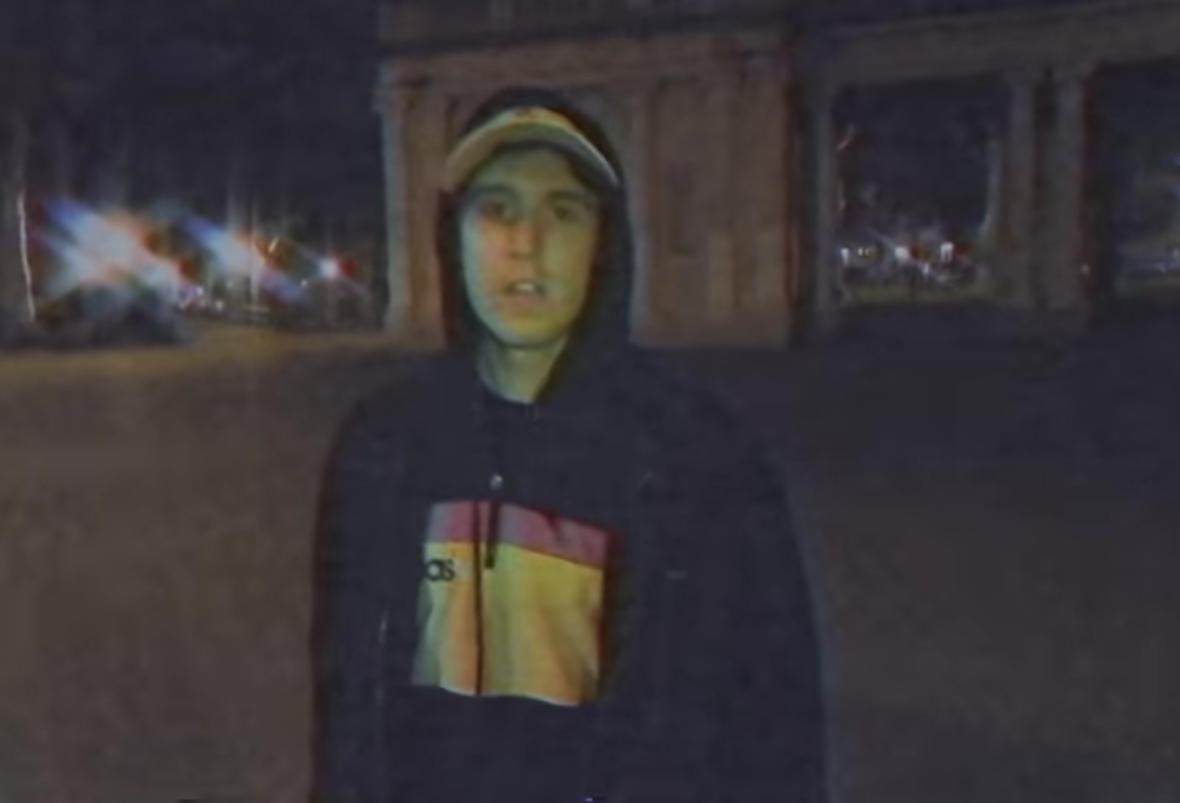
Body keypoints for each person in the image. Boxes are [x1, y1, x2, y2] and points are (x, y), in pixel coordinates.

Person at [312, 87, 826, 803]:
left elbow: (776, 716)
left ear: (603, 244)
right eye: (495, 209)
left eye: (563, 211)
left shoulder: (702, 457)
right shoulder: (382, 444)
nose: (526, 242)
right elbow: (345, 698)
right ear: (452, 236)